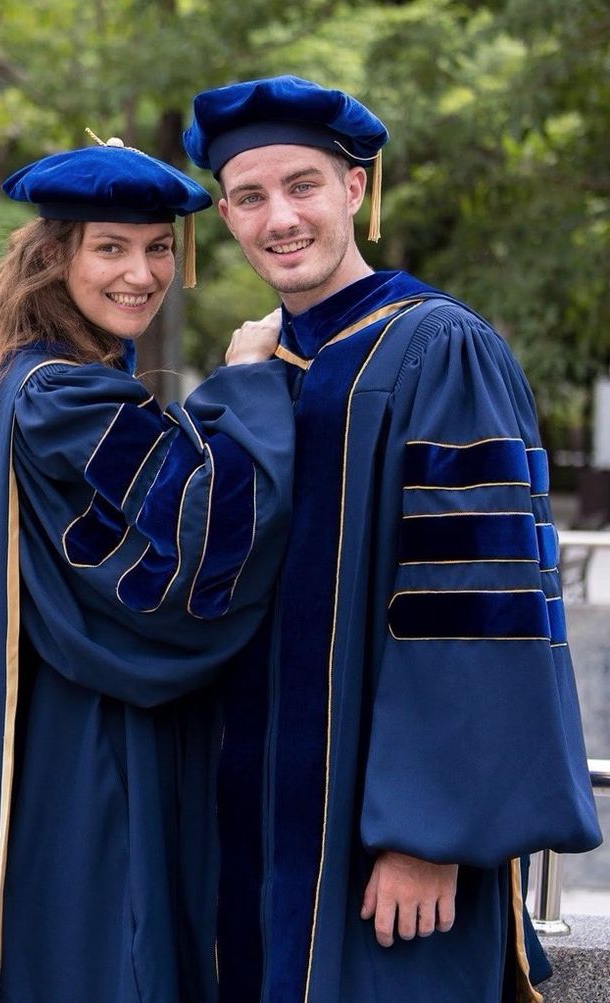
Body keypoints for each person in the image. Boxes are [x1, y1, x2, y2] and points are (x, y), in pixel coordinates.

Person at [183, 75, 602, 1002]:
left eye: (303, 185)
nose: (279, 217)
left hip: (386, 851)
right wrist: (238, 390)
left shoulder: (437, 347)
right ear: (226, 216)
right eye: (250, 197)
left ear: (356, 190)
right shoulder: (267, 366)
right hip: (254, 828)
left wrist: (428, 834)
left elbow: (477, 606)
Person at [0, 138, 294, 1003]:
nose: (142, 274)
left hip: (47, 731)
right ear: (55, 259)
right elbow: (201, 540)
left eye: (157, 248)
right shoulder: (64, 399)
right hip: (87, 747)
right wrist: (250, 383)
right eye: (110, 248)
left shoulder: (26, 381)